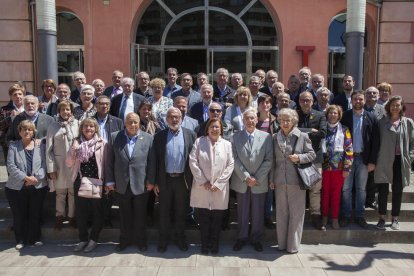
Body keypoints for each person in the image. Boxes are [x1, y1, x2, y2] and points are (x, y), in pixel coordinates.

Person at [147, 107, 197, 253]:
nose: (174, 119)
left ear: (181, 118)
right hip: (165, 180)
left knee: (181, 212)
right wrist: (155, 181)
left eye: (177, 117)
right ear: (166, 119)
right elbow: (154, 161)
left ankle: (180, 238)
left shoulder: (190, 135)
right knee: (164, 212)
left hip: (183, 180)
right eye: (171, 117)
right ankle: (163, 240)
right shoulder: (159, 136)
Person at [105, 112, 154, 252]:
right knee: (124, 215)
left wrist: (151, 181)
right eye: (130, 122)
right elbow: (109, 161)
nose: (133, 125)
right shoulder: (115, 137)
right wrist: (109, 181)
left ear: (139, 123)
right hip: (122, 183)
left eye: (135, 122)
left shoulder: (148, 138)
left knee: (140, 216)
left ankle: (141, 241)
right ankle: (124, 240)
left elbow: (152, 162)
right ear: (125, 123)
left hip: (141, 183)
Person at [270, 108, 316, 253]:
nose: (284, 123)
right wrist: (271, 179)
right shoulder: (274, 137)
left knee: (296, 214)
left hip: (297, 181)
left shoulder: (302, 136)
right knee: (281, 214)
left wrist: (300, 158)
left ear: (293, 121)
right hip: (279, 181)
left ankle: (293, 246)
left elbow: (312, 154)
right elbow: (272, 161)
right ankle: (282, 244)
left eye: (287, 120)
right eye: (282, 120)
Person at [189, 118, 234, 254]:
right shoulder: (199, 142)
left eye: (217, 127)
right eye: (212, 127)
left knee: (216, 219)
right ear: (207, 129)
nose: (215, 129)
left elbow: (230, 164)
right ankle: (204, 244)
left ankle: (214, 244)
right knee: (203, 219)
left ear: (221, 129)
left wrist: (219, 183)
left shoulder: (227, 144)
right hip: (202, 187)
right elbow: (193, 161)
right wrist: (203, 181)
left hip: (219, 189)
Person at [231, 109, 273, 252]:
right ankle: (241, 238)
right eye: (247, 118)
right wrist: (246, 176)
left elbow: (269, 160)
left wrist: (257, 178)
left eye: (252, 118)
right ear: (243, 121)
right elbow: (234, 158)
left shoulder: (266, 137)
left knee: (258, 212)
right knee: (242, 212)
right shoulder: (235, 137)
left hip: (259, 182)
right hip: (242, 181)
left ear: (257, 120)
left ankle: (256, 238)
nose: (250, 121)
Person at [6, 120, 48, 250]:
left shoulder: (40, 146)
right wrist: (25, 178)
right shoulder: (13, 146)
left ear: (33, 131)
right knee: (19, 215)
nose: (27, 132)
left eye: (29, 129)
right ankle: (20, 239)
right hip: (16, 187)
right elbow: (11, 166)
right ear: (19, 132)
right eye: (24, 129)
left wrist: (36, 178)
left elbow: (45, 164)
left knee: (35, 213)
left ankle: (35, 238)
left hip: (37, 185)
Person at [66, 118, 107, 253]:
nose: (88, 128)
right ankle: (83, 239)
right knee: (81, 212)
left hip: (97, 182)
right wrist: (74, 149)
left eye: (91, 126)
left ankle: (94, 239)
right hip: (80, 181)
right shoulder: (76, 143)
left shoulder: (102, 143)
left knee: (97, 212)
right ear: (81, 128)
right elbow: (68, 163)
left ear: (96, 128)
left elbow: (106, 164)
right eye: (86, 126)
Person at [340, 90, 380, 228]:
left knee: (361, 189)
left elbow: (376, 141)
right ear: (351, 100)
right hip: (348, 159)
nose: (358, 101)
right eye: (355, 99)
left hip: (364, 158)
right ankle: (345, 215)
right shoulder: (344, 116)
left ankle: (359, 216)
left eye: (360, 99)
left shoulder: (371, 117)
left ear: (364, 101)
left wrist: (372, 161)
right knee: (346, 188)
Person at [375, 96, 414, 230]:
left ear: (402, 106)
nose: (395, 107)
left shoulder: (408, 123)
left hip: (400, 161)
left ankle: (395, 218)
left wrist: (410, 157)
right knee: (383, 190)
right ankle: (381, 217)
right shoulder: (381, 122)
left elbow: (412, 143)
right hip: (384, 160)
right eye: (393, 105)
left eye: (398, 105)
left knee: (398, 190)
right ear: (388, 106)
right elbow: (376, 142)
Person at [46, 100, 80, 230]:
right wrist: (51, 169)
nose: (66, 112)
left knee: (72, 192)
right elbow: (48, 150)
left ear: (71, 111)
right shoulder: (53, 126)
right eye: (63, 110)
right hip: (59, 165)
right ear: (59, 111)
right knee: (60, 192)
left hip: (74, 165)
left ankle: (72, 217)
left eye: (68, 109)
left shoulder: (77, 124)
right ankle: (59, 216)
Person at [297, 91, 327, 230]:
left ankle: (316, 215)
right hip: (298, 157)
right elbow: (291, 132)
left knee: (315, 188)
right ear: (299, 101)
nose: (305, 102)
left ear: (312, 102)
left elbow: (322, 134)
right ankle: (299, 216)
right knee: (300, 188)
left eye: (308, 100)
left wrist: (302, 132)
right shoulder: (294, 114)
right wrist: (310, 131)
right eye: (302, 100)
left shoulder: (320, 115)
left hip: (315, 157)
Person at [321, 105, 353, 229]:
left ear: (339, 115)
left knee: (336, 194)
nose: (332, 115)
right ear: (327, 114)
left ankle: (334, 218)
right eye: (330, 113)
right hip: (323, 167)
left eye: (335, 113)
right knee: (324, 193)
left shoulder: (344, 130)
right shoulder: (322, 128)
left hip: (338, 168)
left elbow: (349, 149)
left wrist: (347, 168)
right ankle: (324, 217)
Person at [94, 95, 124, 227]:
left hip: (111, 157)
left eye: (106, 104)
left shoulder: (118, 122)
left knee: (110, 188)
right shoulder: (89, 120)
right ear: (96, 105)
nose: (104, 106)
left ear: (110, 106)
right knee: (96, 189)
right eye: (101, 103)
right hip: (94, 159)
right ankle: (96, 218)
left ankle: (106, 217)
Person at [256, 95, 279, 229]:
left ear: (271, 105)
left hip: (271, 158)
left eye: (268, 103)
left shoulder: (275, 120)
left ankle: (267, 216)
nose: (265, 105)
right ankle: (256, 215)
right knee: (257, 188)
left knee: (270, 189)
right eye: (262, 103)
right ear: (258, 105)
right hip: (256, 158)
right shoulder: (254, 119)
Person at [364, 86, 386, 209]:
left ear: (378, 96)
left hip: (379, 146)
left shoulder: (384, 110)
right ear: (365, 95)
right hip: (364, 147)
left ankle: (371, 199)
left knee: (373, 175)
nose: (372, 94)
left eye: (374, 93)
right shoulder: (360, 108)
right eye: (369, 93)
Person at [0, 84, 25, 160]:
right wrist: (11, 118)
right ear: (11, 97)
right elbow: (1, 126)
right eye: (15, 95)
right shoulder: (4, 110)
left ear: (23, 95)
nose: (18, 96)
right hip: (9, 144)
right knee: (11, 169)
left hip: (26, 143)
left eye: (20, 94)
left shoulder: (29, 107)